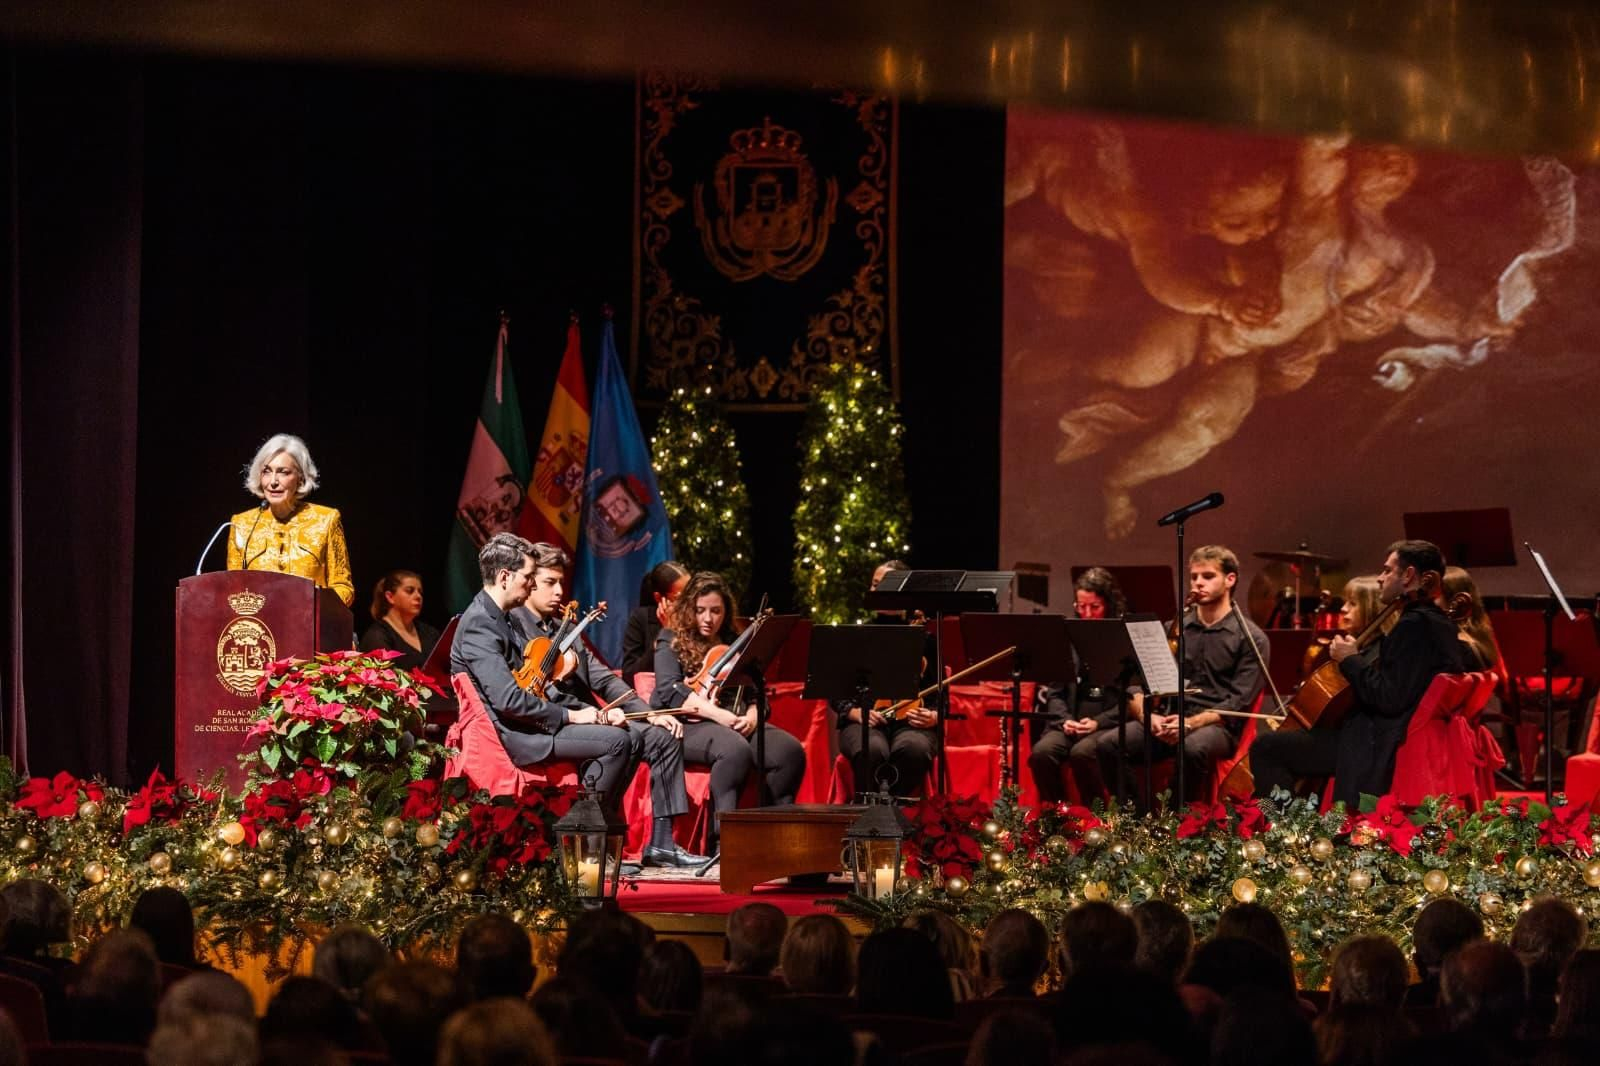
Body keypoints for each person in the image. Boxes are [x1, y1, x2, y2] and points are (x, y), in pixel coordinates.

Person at [451, 534, 671, 853]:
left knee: (631, 737)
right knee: (617, 742)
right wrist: (572, 715)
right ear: (503, 577)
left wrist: (592, 714)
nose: (530, 587)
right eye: (528, 578)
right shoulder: (479, 624)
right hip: (512, 734)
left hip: (530, 721)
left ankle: (588, 834)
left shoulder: (499, 618)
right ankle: (574, 841)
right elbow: (508, 700)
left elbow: (535, 687)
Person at [509, 542, 705, 867]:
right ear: (528, 582)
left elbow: (603, 678)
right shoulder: (515, 626)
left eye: (561, 582)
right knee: (626, 739)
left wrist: (650, 712)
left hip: (590, 715)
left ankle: (662, 844)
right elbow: (535, 691)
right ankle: (591, 846)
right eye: (549, 582)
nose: (559, 590)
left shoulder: (565, 626)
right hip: (556, 720)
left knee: (664, 737)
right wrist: (592, 716)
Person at [1250, 539, 1471, 807]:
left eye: (1388, 570)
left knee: (1266, 748)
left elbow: (1388, 698)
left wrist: (1350, 659)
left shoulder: (1413, 626)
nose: (1380, 578)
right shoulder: (1439, 623)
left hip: (1371, 745)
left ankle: (1290, 834)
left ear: (1409, 575)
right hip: (1386, 738)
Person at [1075, 545, 1269, 806]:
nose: (1198, 583)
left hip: (1215, 726)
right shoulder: (1174, 629)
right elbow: (1135, 683)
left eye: (1208, 576)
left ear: (1230, 580)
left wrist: (1190, 723)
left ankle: (1179, 824)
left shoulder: (1251, 637)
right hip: (1167, 719)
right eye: (1194, 577)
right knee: (1109, 743)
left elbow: (1237, 704)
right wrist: (1147, 716)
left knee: (1191, 748)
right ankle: (1137, 820)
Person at [651, 571, 806, 834]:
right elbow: (669, 691)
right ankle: (723, 841)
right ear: (689, 608)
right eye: (700, 610)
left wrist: (754, 715)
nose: (708, 619)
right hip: (683, 724)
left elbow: (756, 692)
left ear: (726, 611)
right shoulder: (670, 639)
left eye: (716, 611)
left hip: (732, 721)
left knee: (789, 752)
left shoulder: (734, 642)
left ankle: (777, 835)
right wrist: (718, 715)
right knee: (734, 749)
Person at [831, 559, 939, 798]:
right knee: (872, 750)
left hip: (911, 724)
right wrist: (855, 712)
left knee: (913, 749)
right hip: (863, 721)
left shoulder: (925, 639)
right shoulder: (857, 636)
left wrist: (933, 716)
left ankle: (897, 815)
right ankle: (866, 816)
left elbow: (941, 696)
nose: (876, 592)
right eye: (874, 585)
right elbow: (836, 692)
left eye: (884, 585)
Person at [1030, 566, 1130, 804]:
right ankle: (1058, 816)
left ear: (1109, 604)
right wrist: (1064, 720)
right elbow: (1055, 691)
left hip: (1107, 725)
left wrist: (1098, 723)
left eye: (1094, 607)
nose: (1086, 613)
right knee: (1041, 754)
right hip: (1069, 723)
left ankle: (1095, 818)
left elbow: (1131, 700)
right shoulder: (1068, 635)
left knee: (1082, 753)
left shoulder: (1122, 636)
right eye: (1080, 606)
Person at [228, 433, 354, 606]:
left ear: (300, 477)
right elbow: (233, 589)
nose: (273, 481)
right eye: (266, 472)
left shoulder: (326, 520)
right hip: (260, 628)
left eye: (283, 472)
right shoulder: (241, 524)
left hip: (310, 626)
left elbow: (343, 587)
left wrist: (314, 607)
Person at [620, 560, 689, 686]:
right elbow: (629, 675)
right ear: (658, 598)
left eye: (691, 595)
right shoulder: (641, 619)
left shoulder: (698, 616)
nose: (689, 603)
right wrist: (665, 633)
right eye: (680, 598)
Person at [359, 569, 442, 672]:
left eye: (420, 592)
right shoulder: (377, 636)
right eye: (409, 591)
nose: (418, 596)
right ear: (390, 597)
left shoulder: (430, 633)